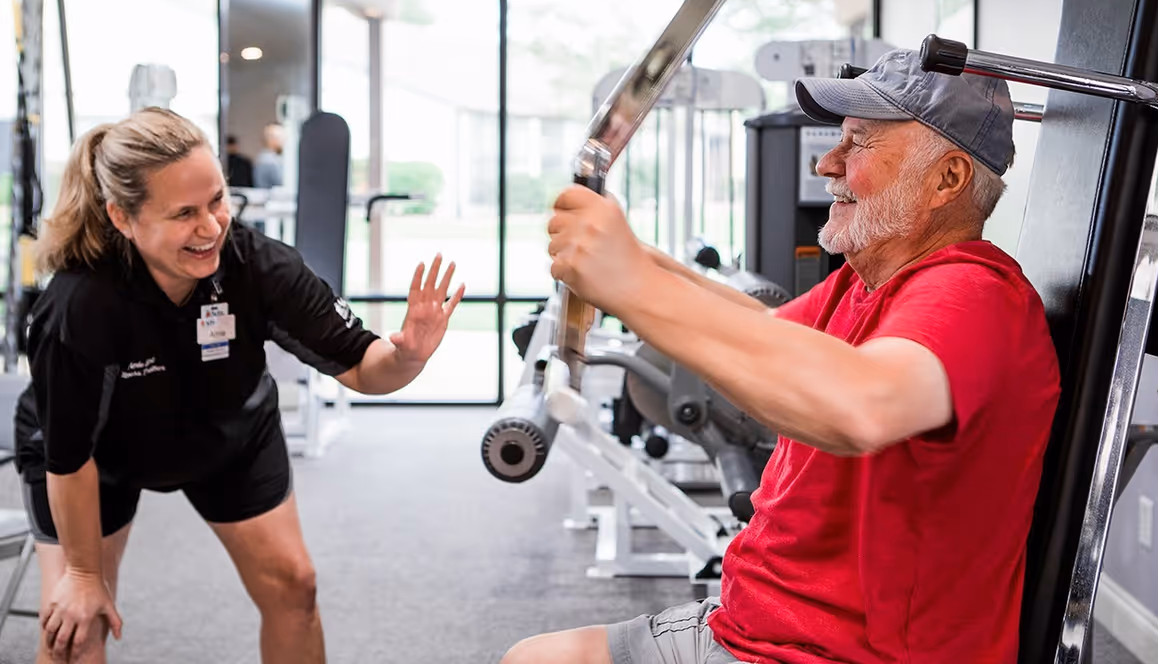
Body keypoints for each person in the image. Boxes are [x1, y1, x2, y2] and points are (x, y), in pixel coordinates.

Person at [503, 49, 1062, 664]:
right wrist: (628, 257)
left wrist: (633, 282)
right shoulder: (869, 282)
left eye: (860, 143)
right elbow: (762, 330)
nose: (827, 164)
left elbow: (864, 407)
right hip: (753, 625)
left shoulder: (973, 294)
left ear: (947, 180)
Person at [14, 107, 465, 664]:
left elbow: (362, 364)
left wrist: (407, 356)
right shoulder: (81, 304)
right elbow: (69, 457)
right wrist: (83, 576)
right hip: (93, 459)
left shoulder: (258, 267)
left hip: (228, 436)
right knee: (76, 627)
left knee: (295, 588)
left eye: (217, 201)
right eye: (184, 213)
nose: (210, 227)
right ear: (123, 218)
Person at [253, 123, 285, 190]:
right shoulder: (268, 161)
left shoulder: (266, 157)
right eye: (280, 137)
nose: (284, 140)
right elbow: (281, 184)